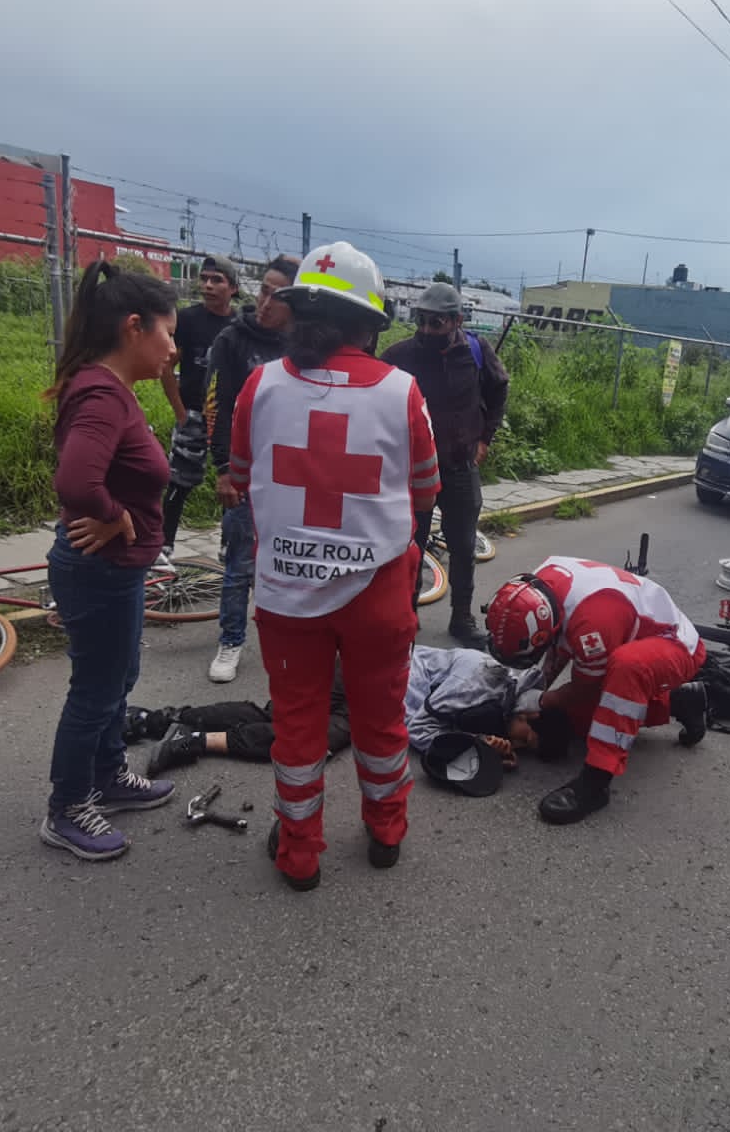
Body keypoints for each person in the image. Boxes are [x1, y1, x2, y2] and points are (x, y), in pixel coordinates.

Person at [225, 241, 439, 890]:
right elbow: (424, 491)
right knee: (380, 719)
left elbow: (240, 478)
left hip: (287, 596)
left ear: (298, 313)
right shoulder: (403, 393)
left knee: (297, 725)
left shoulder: (260, 387)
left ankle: (299, 855)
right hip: (378, 594)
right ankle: (386, 833)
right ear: (369, 325)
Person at [38, 262, 181, 862]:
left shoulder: (110, 390)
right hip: (99, 569)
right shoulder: (101, 394)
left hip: (115, 570)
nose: (172, 349)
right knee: (95, 691)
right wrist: (114, 514)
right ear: (133, 327)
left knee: (117, 678)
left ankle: (108, 776)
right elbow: (75, 480)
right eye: (167, 334)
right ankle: (68, 807)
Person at [484, 556, 707, 824]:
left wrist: (542, 700)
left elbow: (585, 689)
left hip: (676, 642)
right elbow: (558, 642)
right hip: (630, 626)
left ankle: (596, 782)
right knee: (578, 721)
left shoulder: (591, 626)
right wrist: (536, 690)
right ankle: (678, 702)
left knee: (625, 672)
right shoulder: (535, 588)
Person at [130, 643, 543, 773]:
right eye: (528, 738)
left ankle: (162, 720)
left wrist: (482, 747)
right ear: (528, 714)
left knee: (277, 717)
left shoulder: (497, 697)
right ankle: (186, 736)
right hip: (363, 679)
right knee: (308, 740)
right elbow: (418, 729)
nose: (522, 745)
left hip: (364, 680)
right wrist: (472, 747)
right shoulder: (482, 679)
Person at [381, 282, 509, 643]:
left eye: (435, 322)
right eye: (421, 320)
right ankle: (406, 619)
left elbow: (499, 388)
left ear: (457, 321)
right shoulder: (399, 356)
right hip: (412, 473)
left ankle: (462, 619)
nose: (426, 329)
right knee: (409, 548)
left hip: (459, 467)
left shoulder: (476, 351)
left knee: (464, 547)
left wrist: (485, 438)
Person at [201, 255, 299, 683]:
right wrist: (225, 468)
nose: (265, 302)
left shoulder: (305, 346)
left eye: (277, 296)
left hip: (293, 477)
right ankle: (231, 640)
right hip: (246, 472)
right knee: (240, 563)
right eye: (263, 291)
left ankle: (289, 641)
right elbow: (217, 407)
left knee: (290, 562)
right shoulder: (233, 340)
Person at [156, 253, 240, 572]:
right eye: (204, 279)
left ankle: (229, 546)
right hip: (193, 412)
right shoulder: (187, 320)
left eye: (217, 280)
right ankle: (163, 546)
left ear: (233, 287)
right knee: (179, 481)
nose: (208, 285)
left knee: (233, 482)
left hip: (230, 419)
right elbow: (167, 365)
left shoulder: (239, 326)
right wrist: (180, 410)